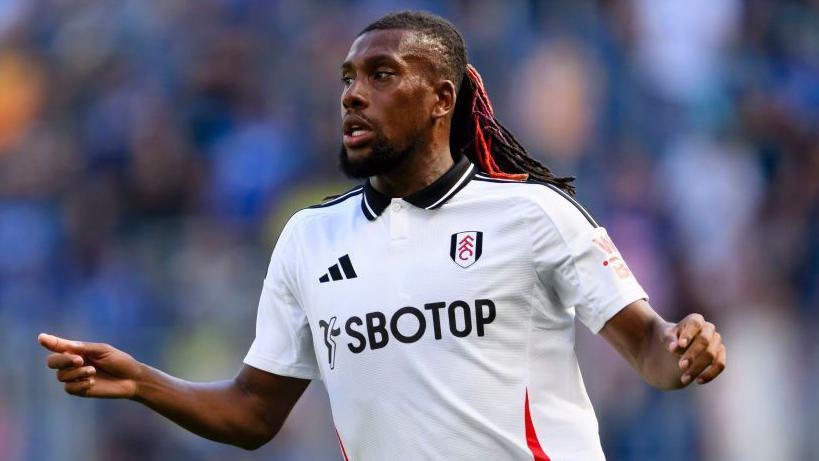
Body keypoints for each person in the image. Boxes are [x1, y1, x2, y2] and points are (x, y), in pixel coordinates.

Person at [40, 11, 726, 460]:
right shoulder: (308, 238)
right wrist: (142, 383)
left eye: (380, 75)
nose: (352, 94)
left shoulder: (532, 215)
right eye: (347, 79)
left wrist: (682, 348)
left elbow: (645, 345)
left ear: (441, 99)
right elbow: (253, 412)